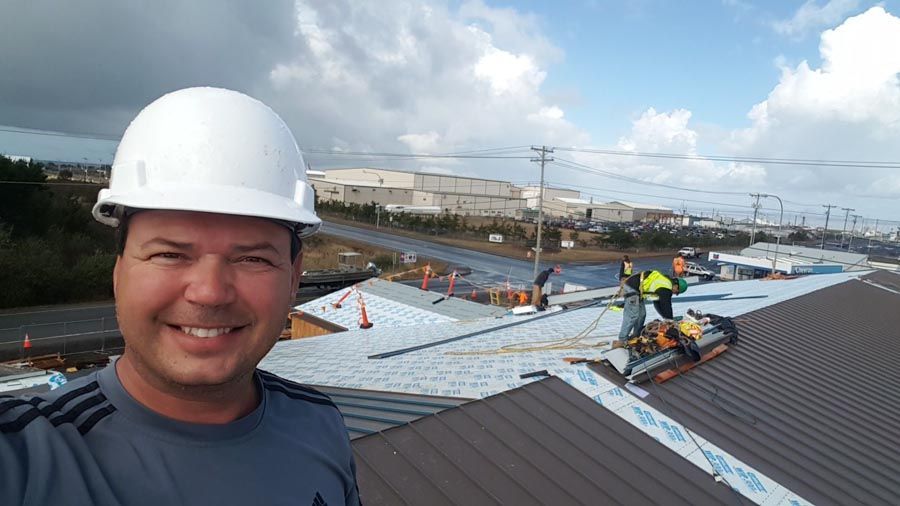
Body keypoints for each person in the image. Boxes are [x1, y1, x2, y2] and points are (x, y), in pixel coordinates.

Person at [0, 88, 360, 505]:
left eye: (253, 259)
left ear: (294, 278)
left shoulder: (321, 426)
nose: (209, 293)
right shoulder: (25, 458)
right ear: (119, 271)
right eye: (169, 254)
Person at [617, 270, 688, 344]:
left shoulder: (663, 284)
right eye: (677, 292)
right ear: (676, 286)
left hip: (637, 291)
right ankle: (622, 339)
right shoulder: (666, 287)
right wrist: (670, 320)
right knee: (632, 315)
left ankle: (636, 336)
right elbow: (666, 305)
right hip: (632, 288)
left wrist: (666, 318)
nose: (675, 293)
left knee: (642, 315)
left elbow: (657, 303)